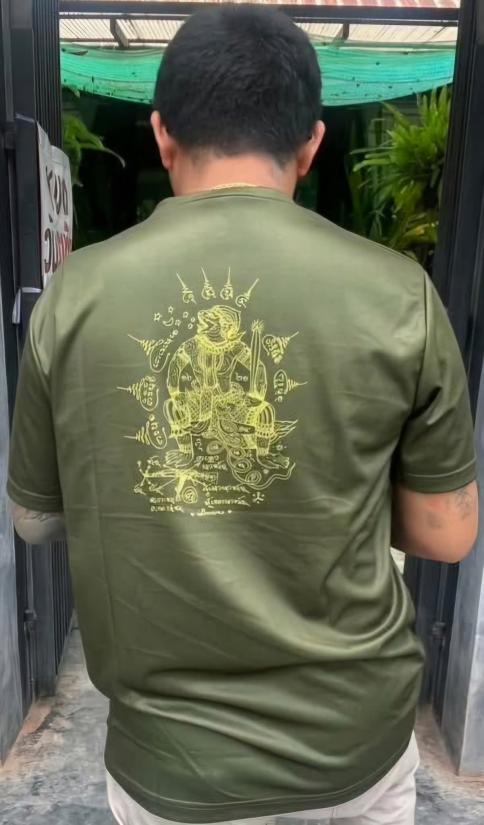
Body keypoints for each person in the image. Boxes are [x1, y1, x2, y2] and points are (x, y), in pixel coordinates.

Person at [8, 7, 478, 825]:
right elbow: (447, 532)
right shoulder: (399, 293)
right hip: (353, 751)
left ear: (161, 134)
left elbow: (36, 517)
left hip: (172, 766)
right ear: (312, 144)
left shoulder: (75, 294)